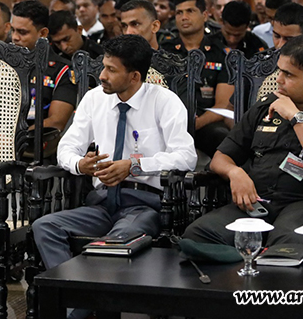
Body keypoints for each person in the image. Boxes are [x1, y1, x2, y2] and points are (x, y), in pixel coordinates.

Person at [33, 34, 196, 319]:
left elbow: (186, 156)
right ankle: (79, 301)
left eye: (111, 70)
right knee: (45, 227)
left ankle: (74, 313)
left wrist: (134, 165)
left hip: (143, 205)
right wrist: (80, 164)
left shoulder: (164, 101)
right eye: (103, 67)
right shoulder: (94, 99)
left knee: (114, 244)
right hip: (100, 203)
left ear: (134, 76)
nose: (102, 76)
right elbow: (66, 148)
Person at [183, 34, 303, 246]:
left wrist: (296, 117)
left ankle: (257, 258)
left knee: (287, 245)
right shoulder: (264, 106)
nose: (279, 79)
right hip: (255, 201)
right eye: (279, 71)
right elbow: (220, 158)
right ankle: (248, 263)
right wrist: (235, 172)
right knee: (197, 234)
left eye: (288, 74)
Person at [160, 0, 233, 158]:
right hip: (166, 121)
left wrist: (195, 124)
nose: (184, 17)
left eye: (190, 11)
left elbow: (222, 105)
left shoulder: (220, 53)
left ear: (205, 15)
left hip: (204, 121)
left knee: (223, 139)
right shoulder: (164, 52)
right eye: (179, 13)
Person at [11, 0, 77, 132]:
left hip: (36, 140)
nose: (14, 37)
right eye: (12, 30)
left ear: (43, 33)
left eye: (22, 32)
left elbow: (56, 121)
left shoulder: (63, 70)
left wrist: (16, 138)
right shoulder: (2, 63)